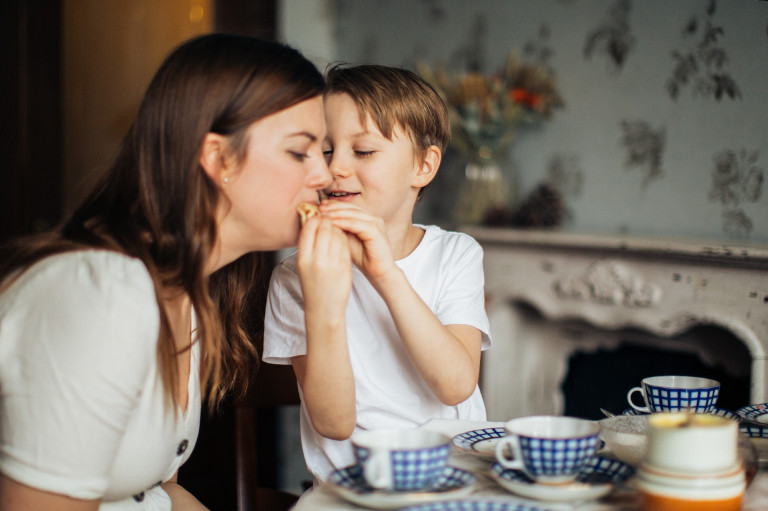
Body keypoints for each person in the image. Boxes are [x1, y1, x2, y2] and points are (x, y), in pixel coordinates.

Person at [0, 33, 334, 510]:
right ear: (218, 158)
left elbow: (158, 492)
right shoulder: (104, 295)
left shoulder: (189, 293)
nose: (324, 176)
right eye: (299, 152)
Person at [263, 64, 492, 484]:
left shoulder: (456, 254)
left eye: (363, 151)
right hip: (352, 490)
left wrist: (384, 273)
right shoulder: (297, 275)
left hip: (454, 481)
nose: (336, 169)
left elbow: (456, 385)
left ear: (423, 165)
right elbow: (333, 424)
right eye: (326, 151)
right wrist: (323, 298)